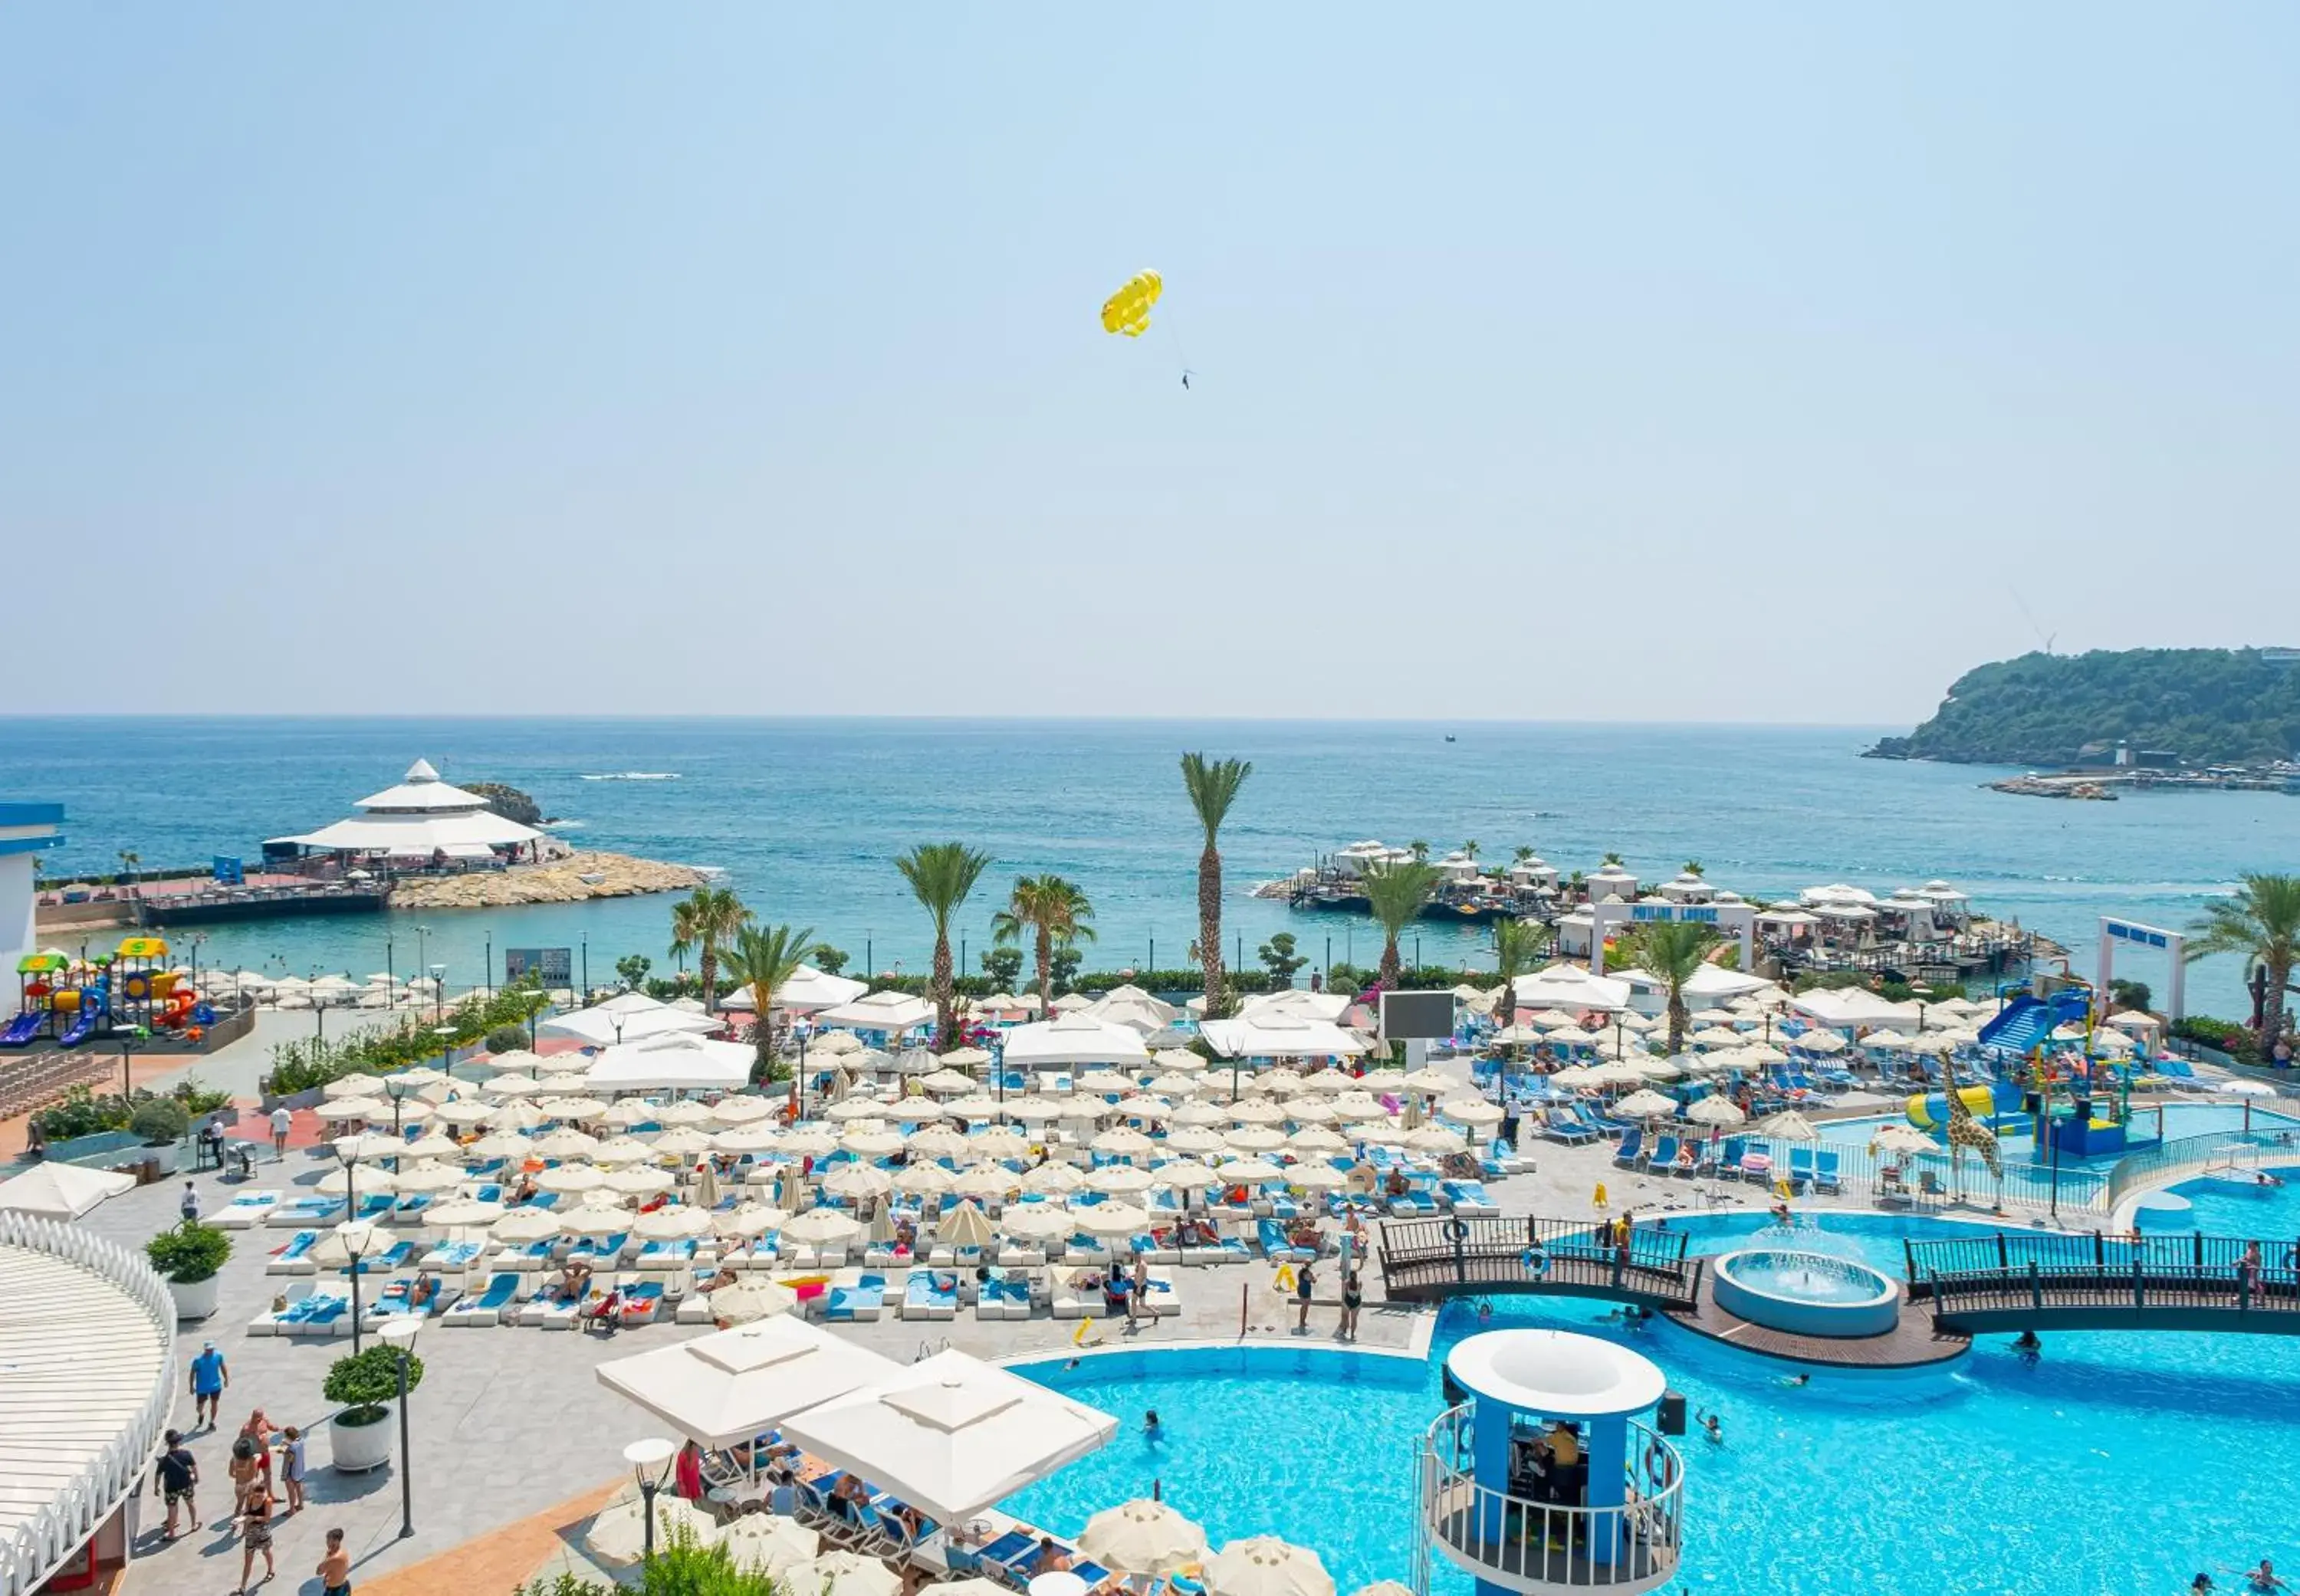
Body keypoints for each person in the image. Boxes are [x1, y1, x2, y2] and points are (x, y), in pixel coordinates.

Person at [153, 1430, 199, 1541]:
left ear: (168, 1443)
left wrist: (156, 1487)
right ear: (179, 1442)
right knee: (190, 1503)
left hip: (171, 1488)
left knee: (172, 1509)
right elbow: (194, 1467)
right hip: (186, 1484)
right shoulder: (186, 1454)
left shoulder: (164, 1460)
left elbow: (158, 1475)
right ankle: (193, 1525)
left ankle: (172, 1533)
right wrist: (196, 1478)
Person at [237, 1473, 275, 1593]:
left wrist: (253, 1518)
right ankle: (243, 1586)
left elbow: (267, 1518)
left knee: (266, 1551)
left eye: (260, 1495)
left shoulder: (267, 1501)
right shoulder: (251, 1499)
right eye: (255, 1494)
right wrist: (241, 1520)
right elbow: (247, 1513)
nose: (258, 1497)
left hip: (262, 1530)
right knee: (248, 1559)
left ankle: (271, 1570)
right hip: (251, 1532)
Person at [189, 1340, 229, 1429]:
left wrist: (226, 1379)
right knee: (199, 1407)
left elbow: (223, 1367)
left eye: (211, 1349)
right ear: (205, 1350)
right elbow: (192, 1373)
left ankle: (212, 1422)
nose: (210, 1351)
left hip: (215, 1385)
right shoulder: (198, 1360)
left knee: (214, 1404)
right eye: (208, 1349)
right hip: (202, 1387)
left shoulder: (218, 1356)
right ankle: (201, 1414)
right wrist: (191, 1387)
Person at [277, 1426, 307, 1513]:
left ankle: (292, 1509)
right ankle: (301, 1504)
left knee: (291, 1491)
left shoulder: (291, 1448)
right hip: (300, 1468)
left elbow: (290, 1459)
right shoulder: (301, 1441)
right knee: (299, 1486)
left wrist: (283, 1452)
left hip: (291, 1471)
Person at [317, 1526, 352, 1596]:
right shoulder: (343, 1552)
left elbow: (319, 1572)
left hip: (336, 1591)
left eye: (329, 1541)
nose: (327, 1543)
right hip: (343, 1585)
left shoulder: (333, 1558)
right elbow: (334, 1570)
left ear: (336, 1541)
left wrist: (326, 1558)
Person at [1339, 1269, 1363, 1340]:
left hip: (1348, 1301)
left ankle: (1344, 1331)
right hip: (1356, 1302)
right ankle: (1352, 1335)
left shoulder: (1346, 1282)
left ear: (1349, 1275)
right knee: (1354, 1318)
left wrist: (1343, 1302)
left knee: (1345, 1317)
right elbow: (1359, 1291)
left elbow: (1344, 1293)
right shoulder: (1360, 1283)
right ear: (1356, 1276)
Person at [1294, 1259, 1316, 1334]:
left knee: (1304, 1306)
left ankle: (1302, 1321)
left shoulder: (1301, 1271)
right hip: (1305, 1291)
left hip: (1301, 1289)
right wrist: (1316, 1277)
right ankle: (1302, 1322)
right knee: (1305, 1306)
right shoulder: (1307, 1273)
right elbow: (1314, 1281)